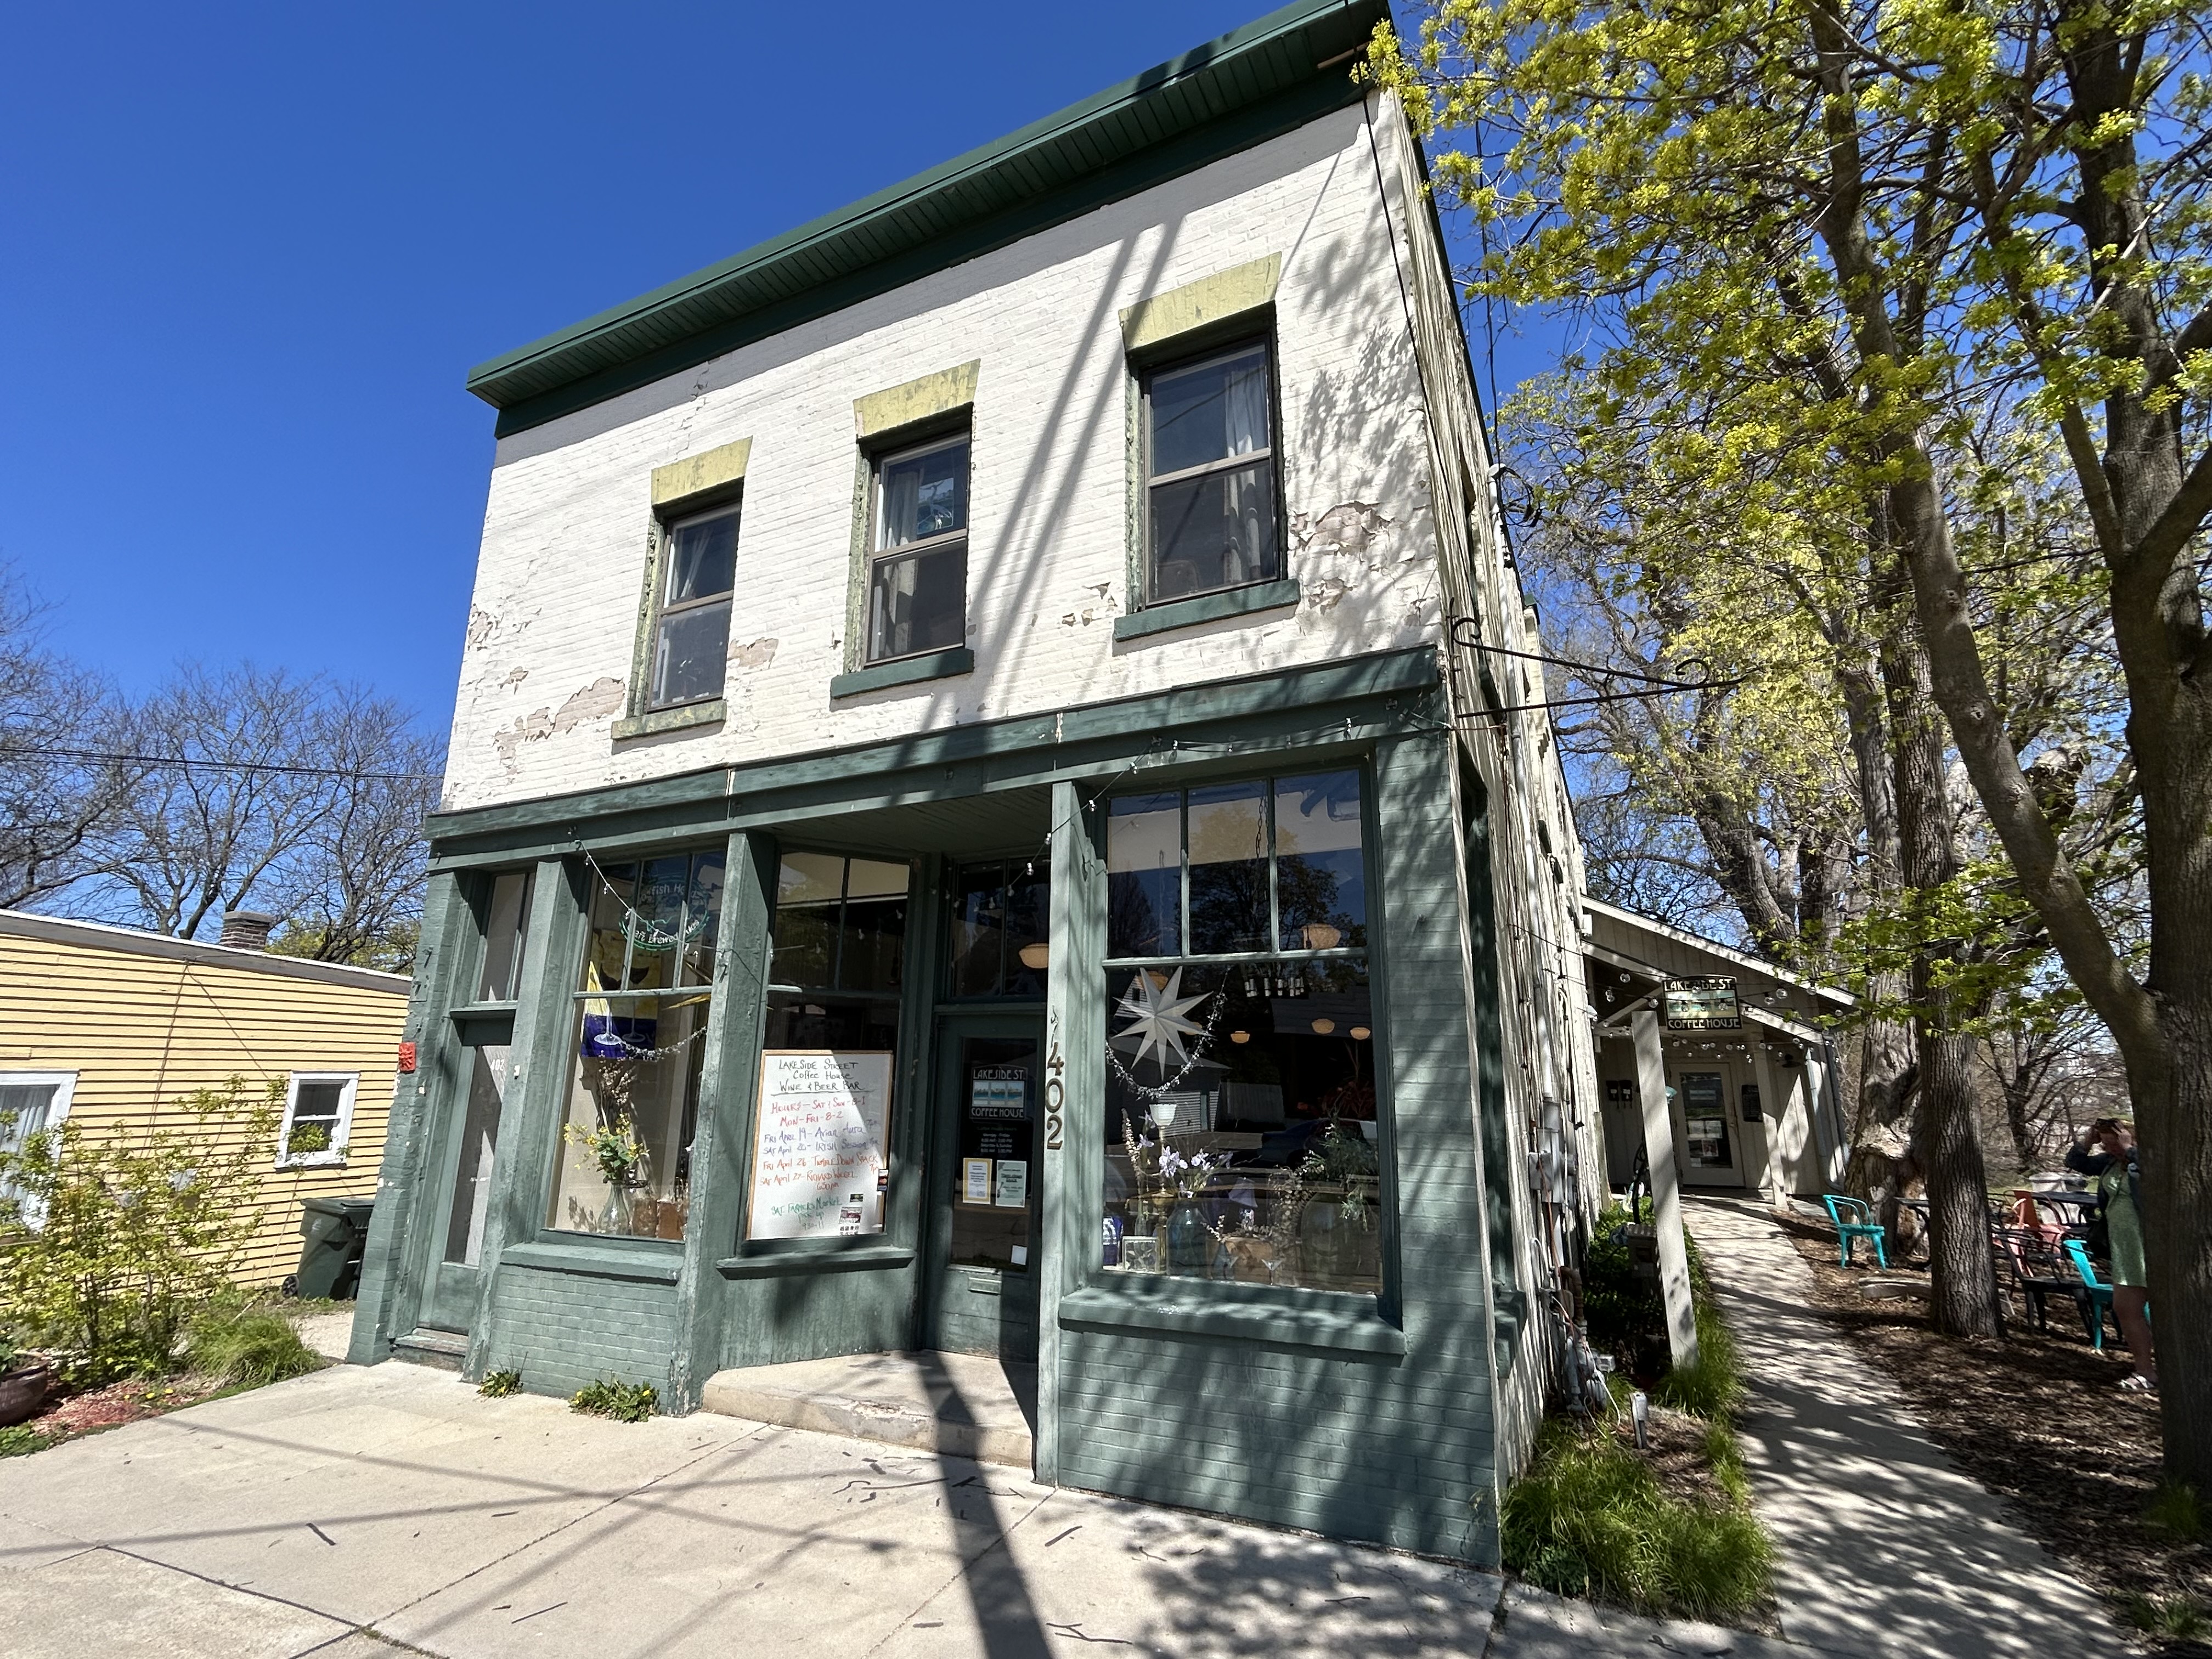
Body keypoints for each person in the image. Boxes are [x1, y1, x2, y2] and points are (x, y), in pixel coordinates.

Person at [2066, 1118, 2155, 1391]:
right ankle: (2146, 1371)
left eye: (2115, 1143)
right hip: (2125, 1246)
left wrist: (2130, 1150)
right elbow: (2077, 1162)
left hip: (2151, 1244)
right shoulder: (2108, 1162)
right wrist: (2088, 1142)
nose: (2111, 1149)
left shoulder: (2147, 1157)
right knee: (2126, 1308)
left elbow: (2154, 1180)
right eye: (2106, 1144)